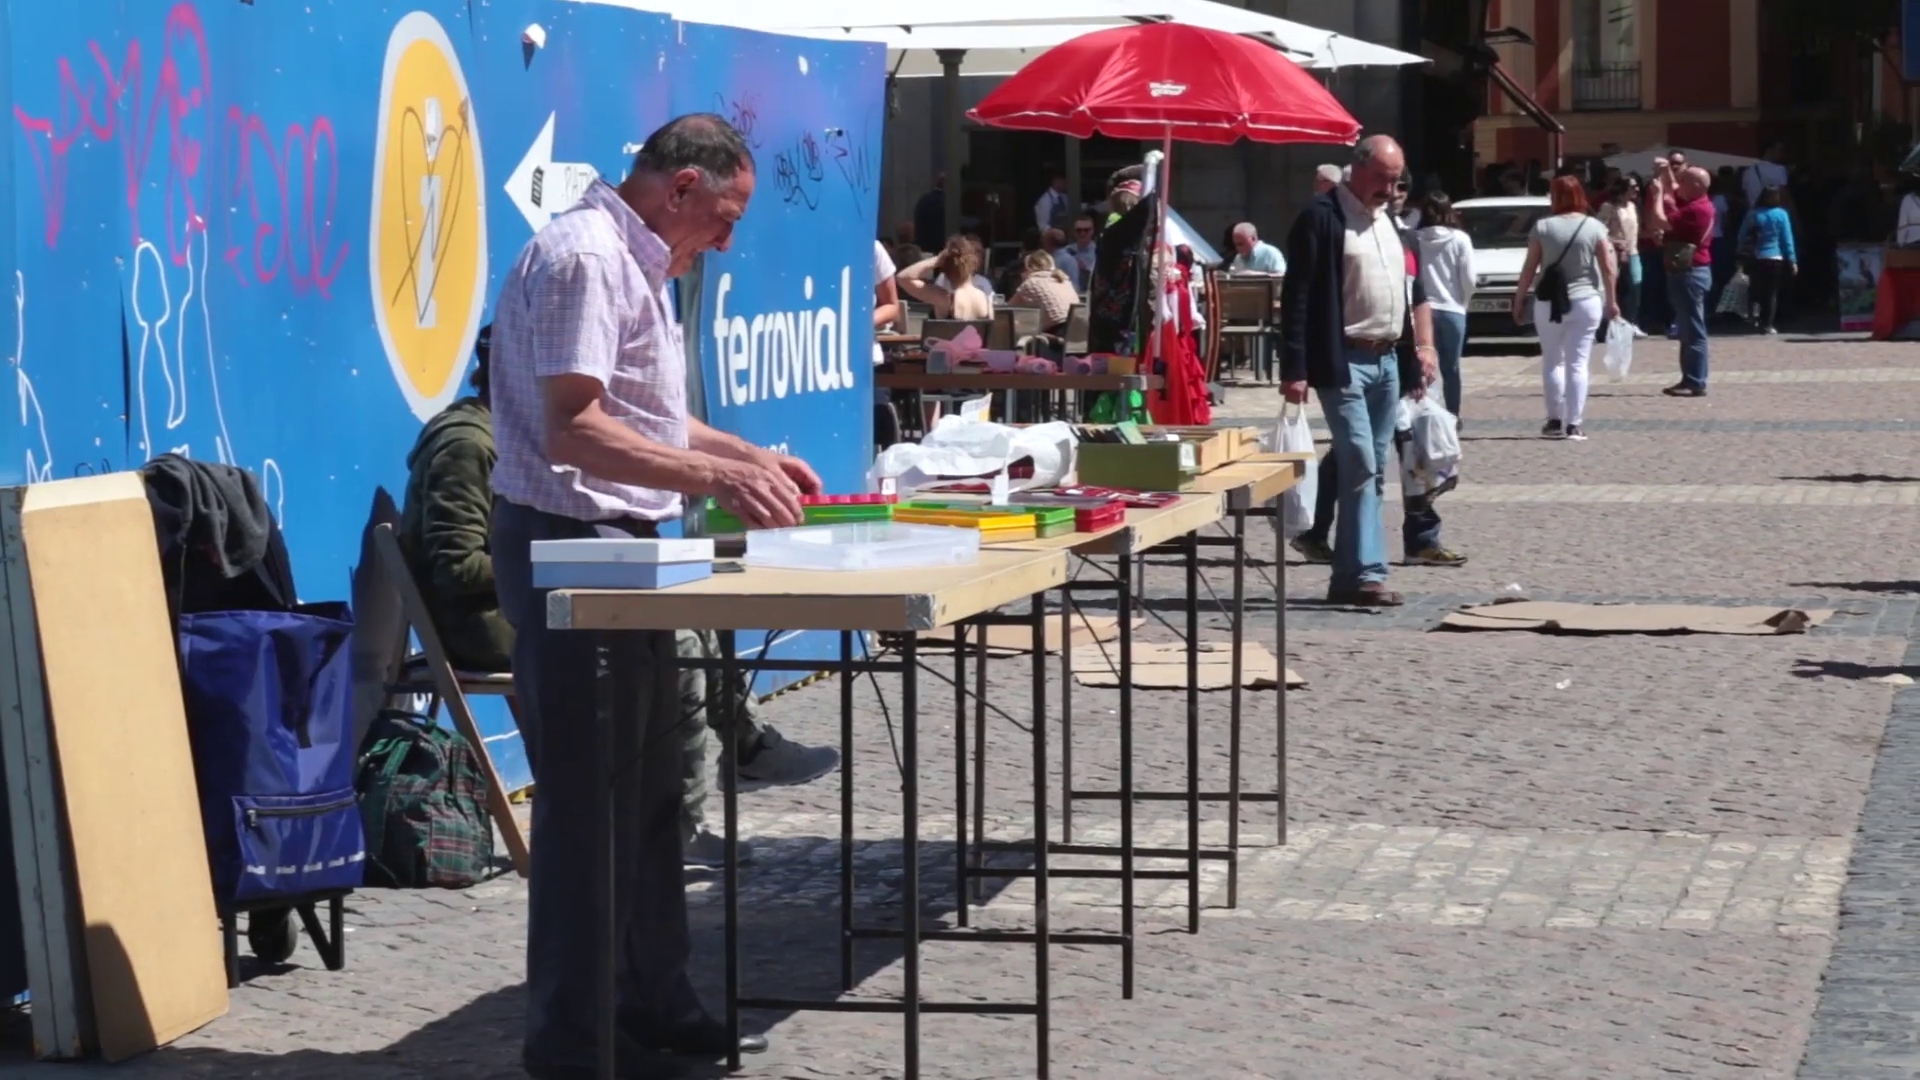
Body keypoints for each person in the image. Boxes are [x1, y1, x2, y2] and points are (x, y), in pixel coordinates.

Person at [488, 113, 815, 1076]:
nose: (727, 241)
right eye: (725, 217)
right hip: (570, 546)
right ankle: (575, 1041)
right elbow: (577, 430)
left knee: (654, 794)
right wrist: (714, 478)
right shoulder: (588, 258)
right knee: (592, 806)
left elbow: (652, 418)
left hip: (618, 548)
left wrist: (747, 456)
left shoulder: (634, 261)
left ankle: (652, 1002)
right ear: (680, 188)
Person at [398, 328, 838, 877]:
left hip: (533, 599)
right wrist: (574, 559)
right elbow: (456, 567)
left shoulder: (515, 433)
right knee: (672, 640)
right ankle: (679, 824)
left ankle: (747, 749)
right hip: (485, 624)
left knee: (686, 609)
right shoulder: (470, 442)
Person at [1278, 135, 1444, 607]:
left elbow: (1408, 293)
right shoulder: (1322, 217)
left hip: (1387, 359)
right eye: (1382, 179)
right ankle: (1364, 573)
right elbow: (1297, 296)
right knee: (1359, 461)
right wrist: (1295, 367)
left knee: (1370, 470)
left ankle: (1353, 576)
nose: (1389, 189)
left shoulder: (1390, 222)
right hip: (1343, 359)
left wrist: (1418, 354)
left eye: (1396, 181)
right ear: (1358, 169)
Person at [1514, 175, 1617, 441]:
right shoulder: (1594, 226)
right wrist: (1612, 301)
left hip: (1549, 302)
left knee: (1552, 361)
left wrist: (1519, 298)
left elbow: (1529, 268)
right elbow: (1607, 267)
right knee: (1578, 363)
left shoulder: (1543, 227)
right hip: (1585, 301)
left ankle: (1553, 421)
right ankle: (1574, 424)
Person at [1650, 162, 1715, 396]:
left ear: (1696, 185)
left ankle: (1695, 381)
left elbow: (1660, 220)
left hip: (1691, 272)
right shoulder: (1698, 203)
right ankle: (1689, 379)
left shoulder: (1697, 209)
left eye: (1684, 179)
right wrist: (1666, 170)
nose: (1679, 184)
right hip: (1689, 271)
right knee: (1687, 330)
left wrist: (1656, 196)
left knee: (1693, 330)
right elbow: (1674, 187)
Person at [1414, 191, 1474, 420]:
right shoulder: (1460, 239)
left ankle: (1424, 414)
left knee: (1423, 367)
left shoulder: (1414, 238)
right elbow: (1469, 278)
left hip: (1421, 310)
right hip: (1452, 309)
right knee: (1451, 368)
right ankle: (1452, 416)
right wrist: (1463, 302)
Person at [1737, 185, 1797, 334]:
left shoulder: (1753, 214)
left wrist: (1739, 255)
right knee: (1771, 293)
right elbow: (1787, 239)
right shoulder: (1781, 214)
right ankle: (1768, 324)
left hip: (1755, 257)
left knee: (1755, 289)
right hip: (1774, 256)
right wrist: (1792, 259)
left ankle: (1754, 318)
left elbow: (1741, 236)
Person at [897, 237, 994, 320]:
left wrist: (936, 260)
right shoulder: (986, 299)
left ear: (946, 272)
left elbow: (902, 277)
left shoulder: (944, 299)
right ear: (973, 265)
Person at [1596, 175, 1641, 331]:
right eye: (1632, 187)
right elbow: (1599, 230)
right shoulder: (1609, 207)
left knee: (1634, 287)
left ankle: (1631, 322)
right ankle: (1608, 324)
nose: (1637, 189)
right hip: (1614, 253)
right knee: (1614, 288)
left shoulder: (1632, 206)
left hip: (1632, 251)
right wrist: (1615, 242)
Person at [1009, 249, 1078, 334]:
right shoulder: (1064, 280)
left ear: (1028, 268)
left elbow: (1008, 309)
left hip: (1056, 333)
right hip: (1076, 330)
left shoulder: (1031, 282)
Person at [1061, 216, 1098, 291]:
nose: (1082, 233)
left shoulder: (1098, 251)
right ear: (1074, 232)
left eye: (1086, 230)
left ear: (1092, 231)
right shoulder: (1065, 251)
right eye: (1078, 230)